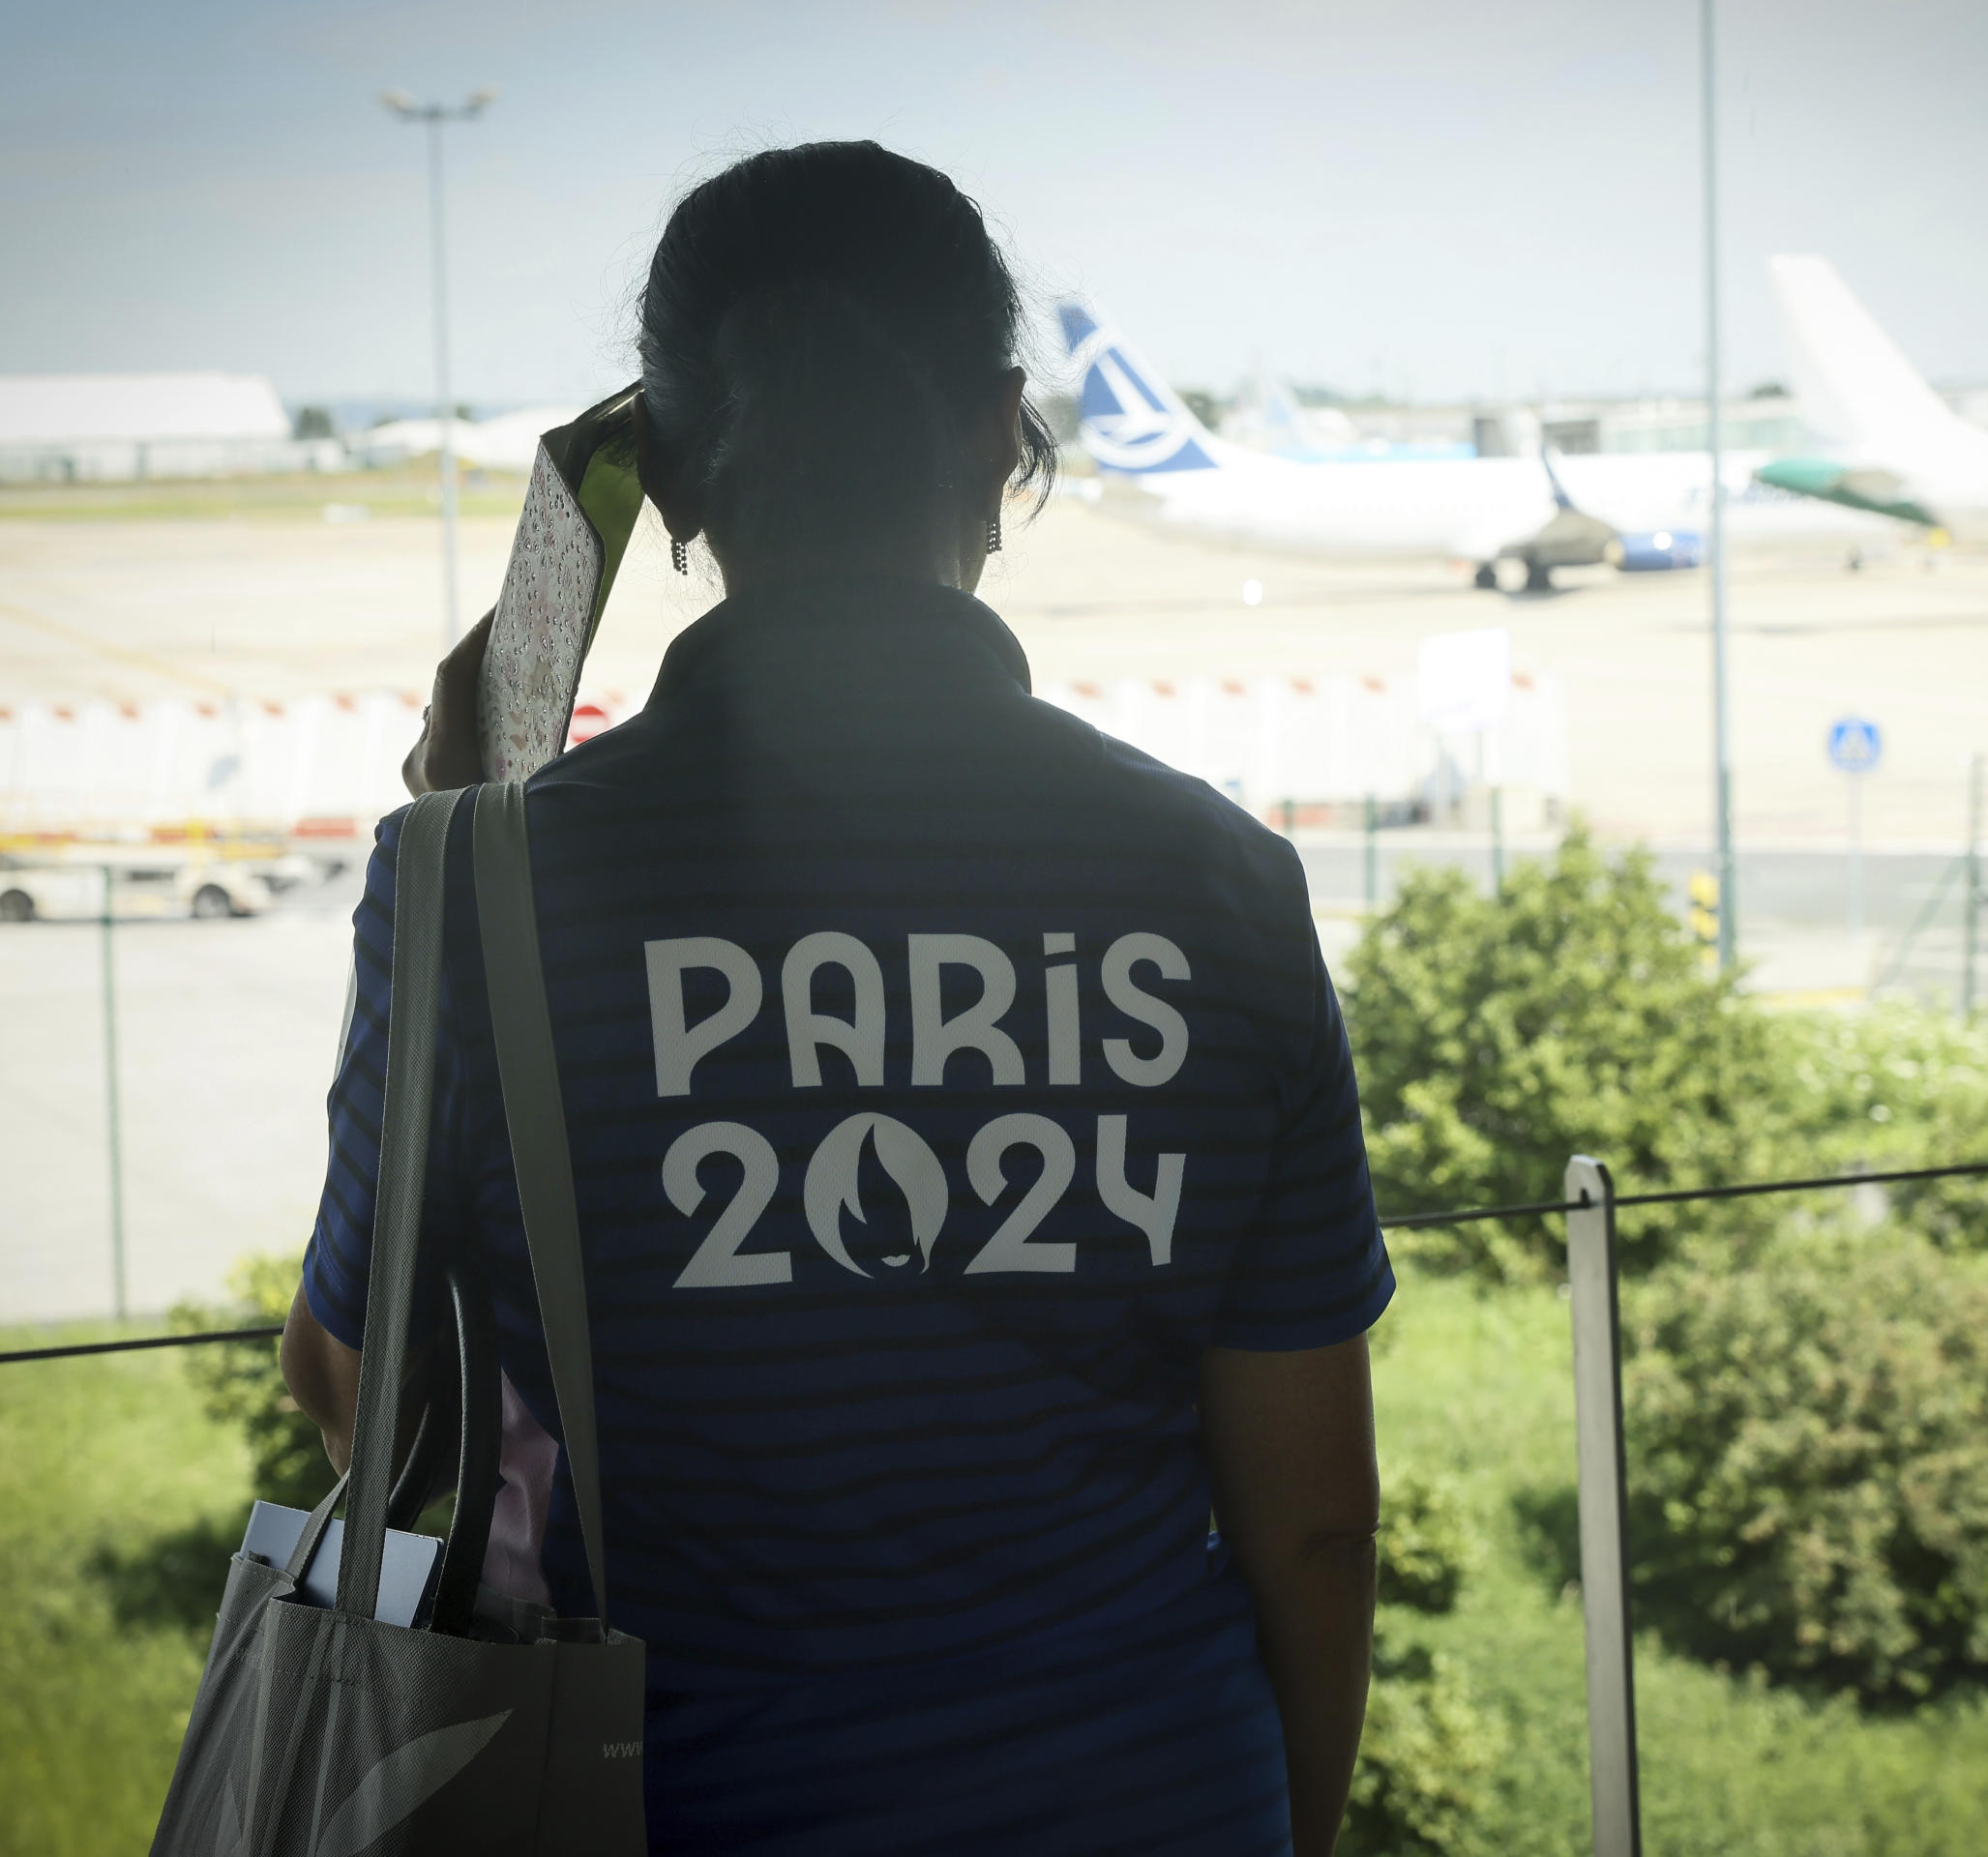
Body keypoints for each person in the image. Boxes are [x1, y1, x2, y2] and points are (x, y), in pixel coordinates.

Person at [281, 141, 1390, 1855]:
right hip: (1150, 1796)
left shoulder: (480, 884)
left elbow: (364, 1392)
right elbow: (1312, 1522)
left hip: (662, 1800)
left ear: (662, 477)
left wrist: (478, 785)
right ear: (997, 429)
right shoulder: (1220, 883)